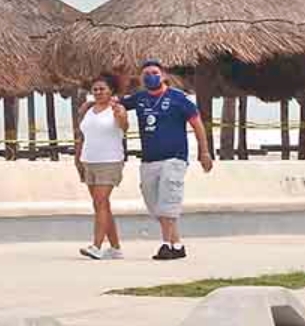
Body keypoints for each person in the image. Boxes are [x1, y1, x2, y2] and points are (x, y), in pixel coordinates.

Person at [118, 60, 213, 261]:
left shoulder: (179, 98)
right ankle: (178, 245)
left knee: (169, 200)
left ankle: (165, 244)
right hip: (149, 159)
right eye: (146, 74)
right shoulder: (140, 98)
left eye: (154, 72)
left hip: (174, 158)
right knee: (155, 203)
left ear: (163, 76)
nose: (150, 76)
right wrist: (90, 106)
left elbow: (197, 125)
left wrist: (204, 152)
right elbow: (116, 105)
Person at [74, 74, 129, 260]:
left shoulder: (117, 109)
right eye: (95, 89)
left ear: (111, 91)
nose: (98, 92)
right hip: (89, 160)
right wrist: (78, 159)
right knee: (102, 205)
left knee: (100, 202)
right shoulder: (88, 109)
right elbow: (82, 136)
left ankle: (96, 246)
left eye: (102, 89)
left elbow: (124, 126)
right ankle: (115, 248)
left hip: (110, 161)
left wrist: (120, 114)